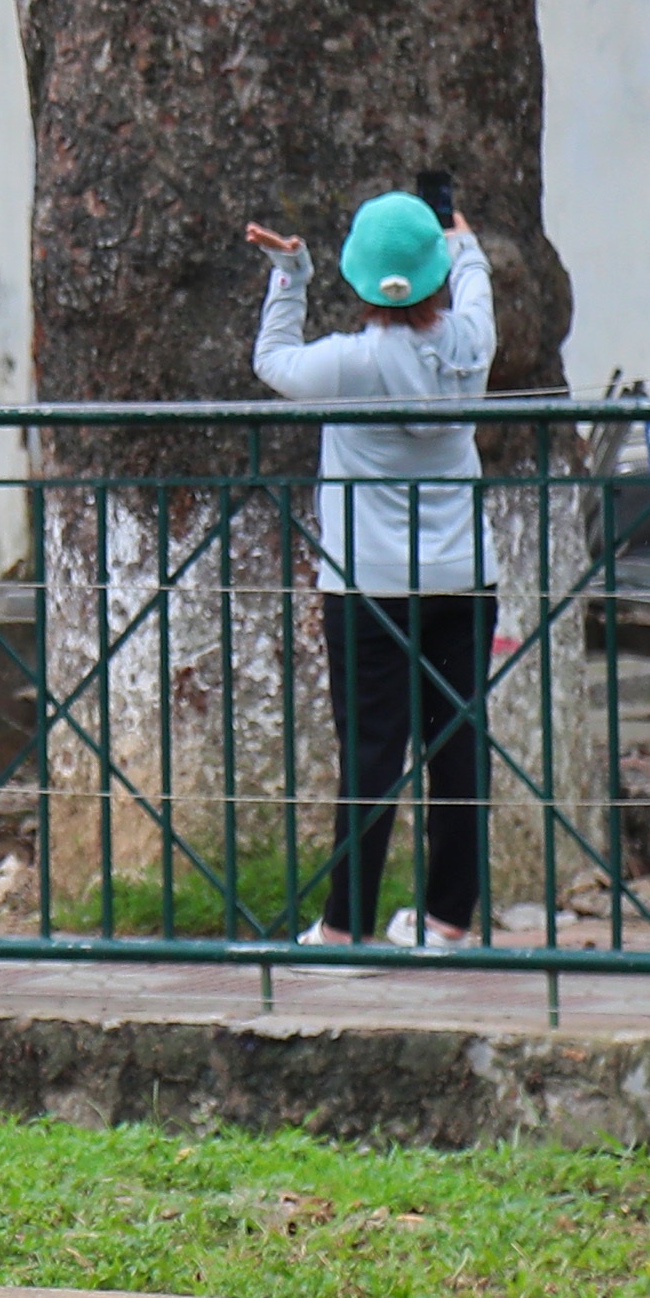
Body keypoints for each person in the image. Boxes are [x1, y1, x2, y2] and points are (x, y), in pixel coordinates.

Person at [246, 191, 496, 952]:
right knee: (457, 747)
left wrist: (290, 273)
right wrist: (464, 242)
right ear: (435, 279)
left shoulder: (347, 363)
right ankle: (449, 919)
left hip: (368, 585)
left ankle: (345, 926)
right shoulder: (473, 344)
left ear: (359, 280)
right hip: (463, 576)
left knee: (373, 753)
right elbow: (477, 281)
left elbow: (271, 362)